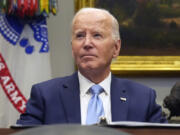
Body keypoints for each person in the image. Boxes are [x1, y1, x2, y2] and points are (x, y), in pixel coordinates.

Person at [16, 7, 167, 125]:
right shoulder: (45, 96)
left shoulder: (143, 98)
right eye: (80, 35)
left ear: (116, 48)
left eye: (97, 35)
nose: (87, 43)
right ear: (72, 47)